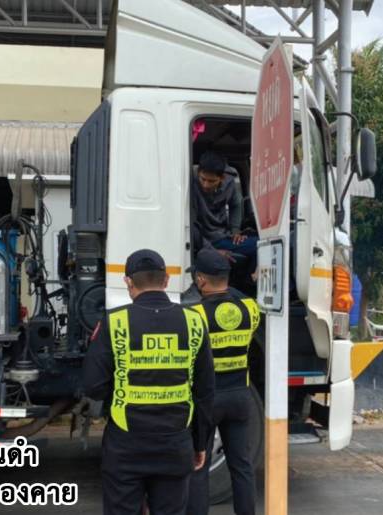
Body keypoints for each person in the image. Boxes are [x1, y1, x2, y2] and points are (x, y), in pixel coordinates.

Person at [83, 249, 216, 515]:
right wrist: (200, 443)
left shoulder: (114, 321)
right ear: (166, 280)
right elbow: (205, 391)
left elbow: (93, 386)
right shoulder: (194, 321)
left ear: (128, 281)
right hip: (176, 443)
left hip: (125, 445)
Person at [187, 249, 261, 515]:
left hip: (208, 399)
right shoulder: (250, 309)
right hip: (240, 396)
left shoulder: (194, 315)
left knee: (198, 466)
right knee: (242, 466)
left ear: (201, 280)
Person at [191, 152, 257, 267]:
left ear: (222, 178)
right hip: (204, 240)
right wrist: (211, 251)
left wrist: (235, 230)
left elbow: (236, 204)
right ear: (198, 173)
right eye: (203, 179)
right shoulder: (192, 184)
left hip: (222, 235)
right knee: (257, 245)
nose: (206, 185)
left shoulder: (229, 183)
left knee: (261, 244)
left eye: (211, 181)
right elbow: (193, 227)